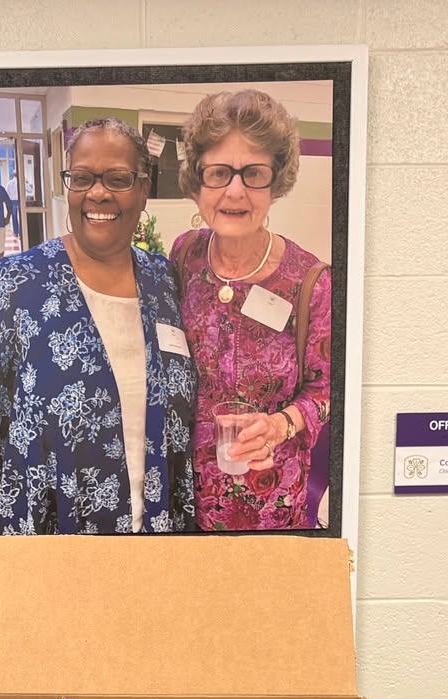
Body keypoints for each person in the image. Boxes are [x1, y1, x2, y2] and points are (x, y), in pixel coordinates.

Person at [0, 120, 198, 536]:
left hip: (160, 555)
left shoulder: (166, 283)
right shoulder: (15, 287)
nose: (98, 193)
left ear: (143, 189)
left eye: (118, 179)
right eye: (82, 178)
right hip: (45, 561)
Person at [169, 90, 334, 531]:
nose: (235, 191)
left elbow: (326, 390)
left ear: (276, 182)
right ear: (197, 181)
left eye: (254, 173)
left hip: (274, 508)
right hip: (187, 504)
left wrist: (280, 425)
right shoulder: (184, 257)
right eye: (219, 172)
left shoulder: (310, 282)